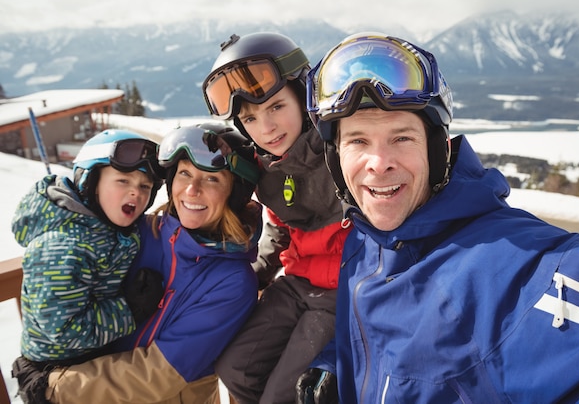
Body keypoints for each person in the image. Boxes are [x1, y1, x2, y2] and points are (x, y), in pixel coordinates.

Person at [296, 32, 579, 403]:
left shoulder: (510, 266)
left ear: (437, 150)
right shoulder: (364, 240)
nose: (379, 162)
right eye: (358, 141)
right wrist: (337, 365)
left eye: (402, 138)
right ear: (336, 158)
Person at [16, 123, 263, 404]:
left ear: (235, 193)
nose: (192, 190)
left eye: (212, 179)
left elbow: (159, 373)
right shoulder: (140, 232)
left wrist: (56, 387)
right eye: (184, 174)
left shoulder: (232, 282)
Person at [202, 32, 351, 403]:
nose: (265, 128)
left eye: (276, 107)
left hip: (343, 291)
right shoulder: (269, 170)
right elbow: (279, 228)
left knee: (283, 396)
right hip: (297, 283)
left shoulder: (343, 153)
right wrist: (256, 275)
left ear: (303, 98)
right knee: (235, 368)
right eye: (249, 118)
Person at [10, 129, 165, 402]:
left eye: (145, 186)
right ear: (89, 182)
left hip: (88, 361)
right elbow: (62, 331)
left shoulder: (108, 227)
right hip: (57, 375)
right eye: (123, 180)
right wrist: (130, 310)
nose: (135, 192)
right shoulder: (62, 246)